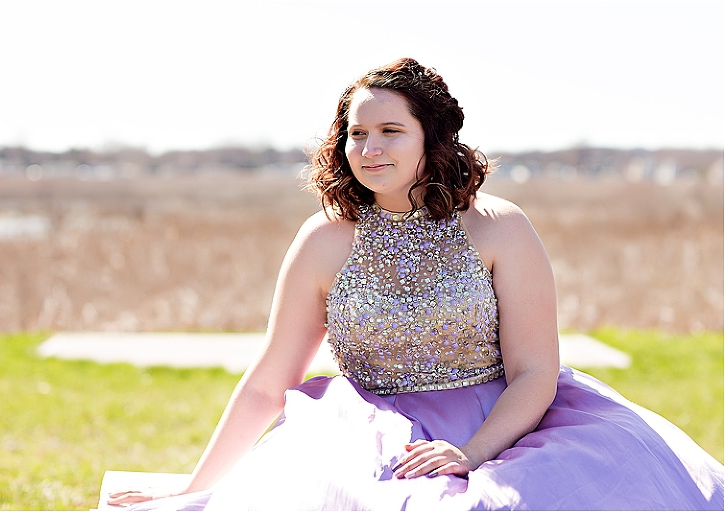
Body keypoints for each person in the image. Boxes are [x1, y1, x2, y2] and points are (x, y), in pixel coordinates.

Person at [106, 58, 723, 510]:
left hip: (502, 420)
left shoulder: (500, 228)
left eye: (390, 131)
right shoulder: (323, 239)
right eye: (357, 134)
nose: (369, 148)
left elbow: (536, 370)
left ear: (432, 136)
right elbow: (270, 381)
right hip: (365, 431)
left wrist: (472, 454)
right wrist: (195, 488)